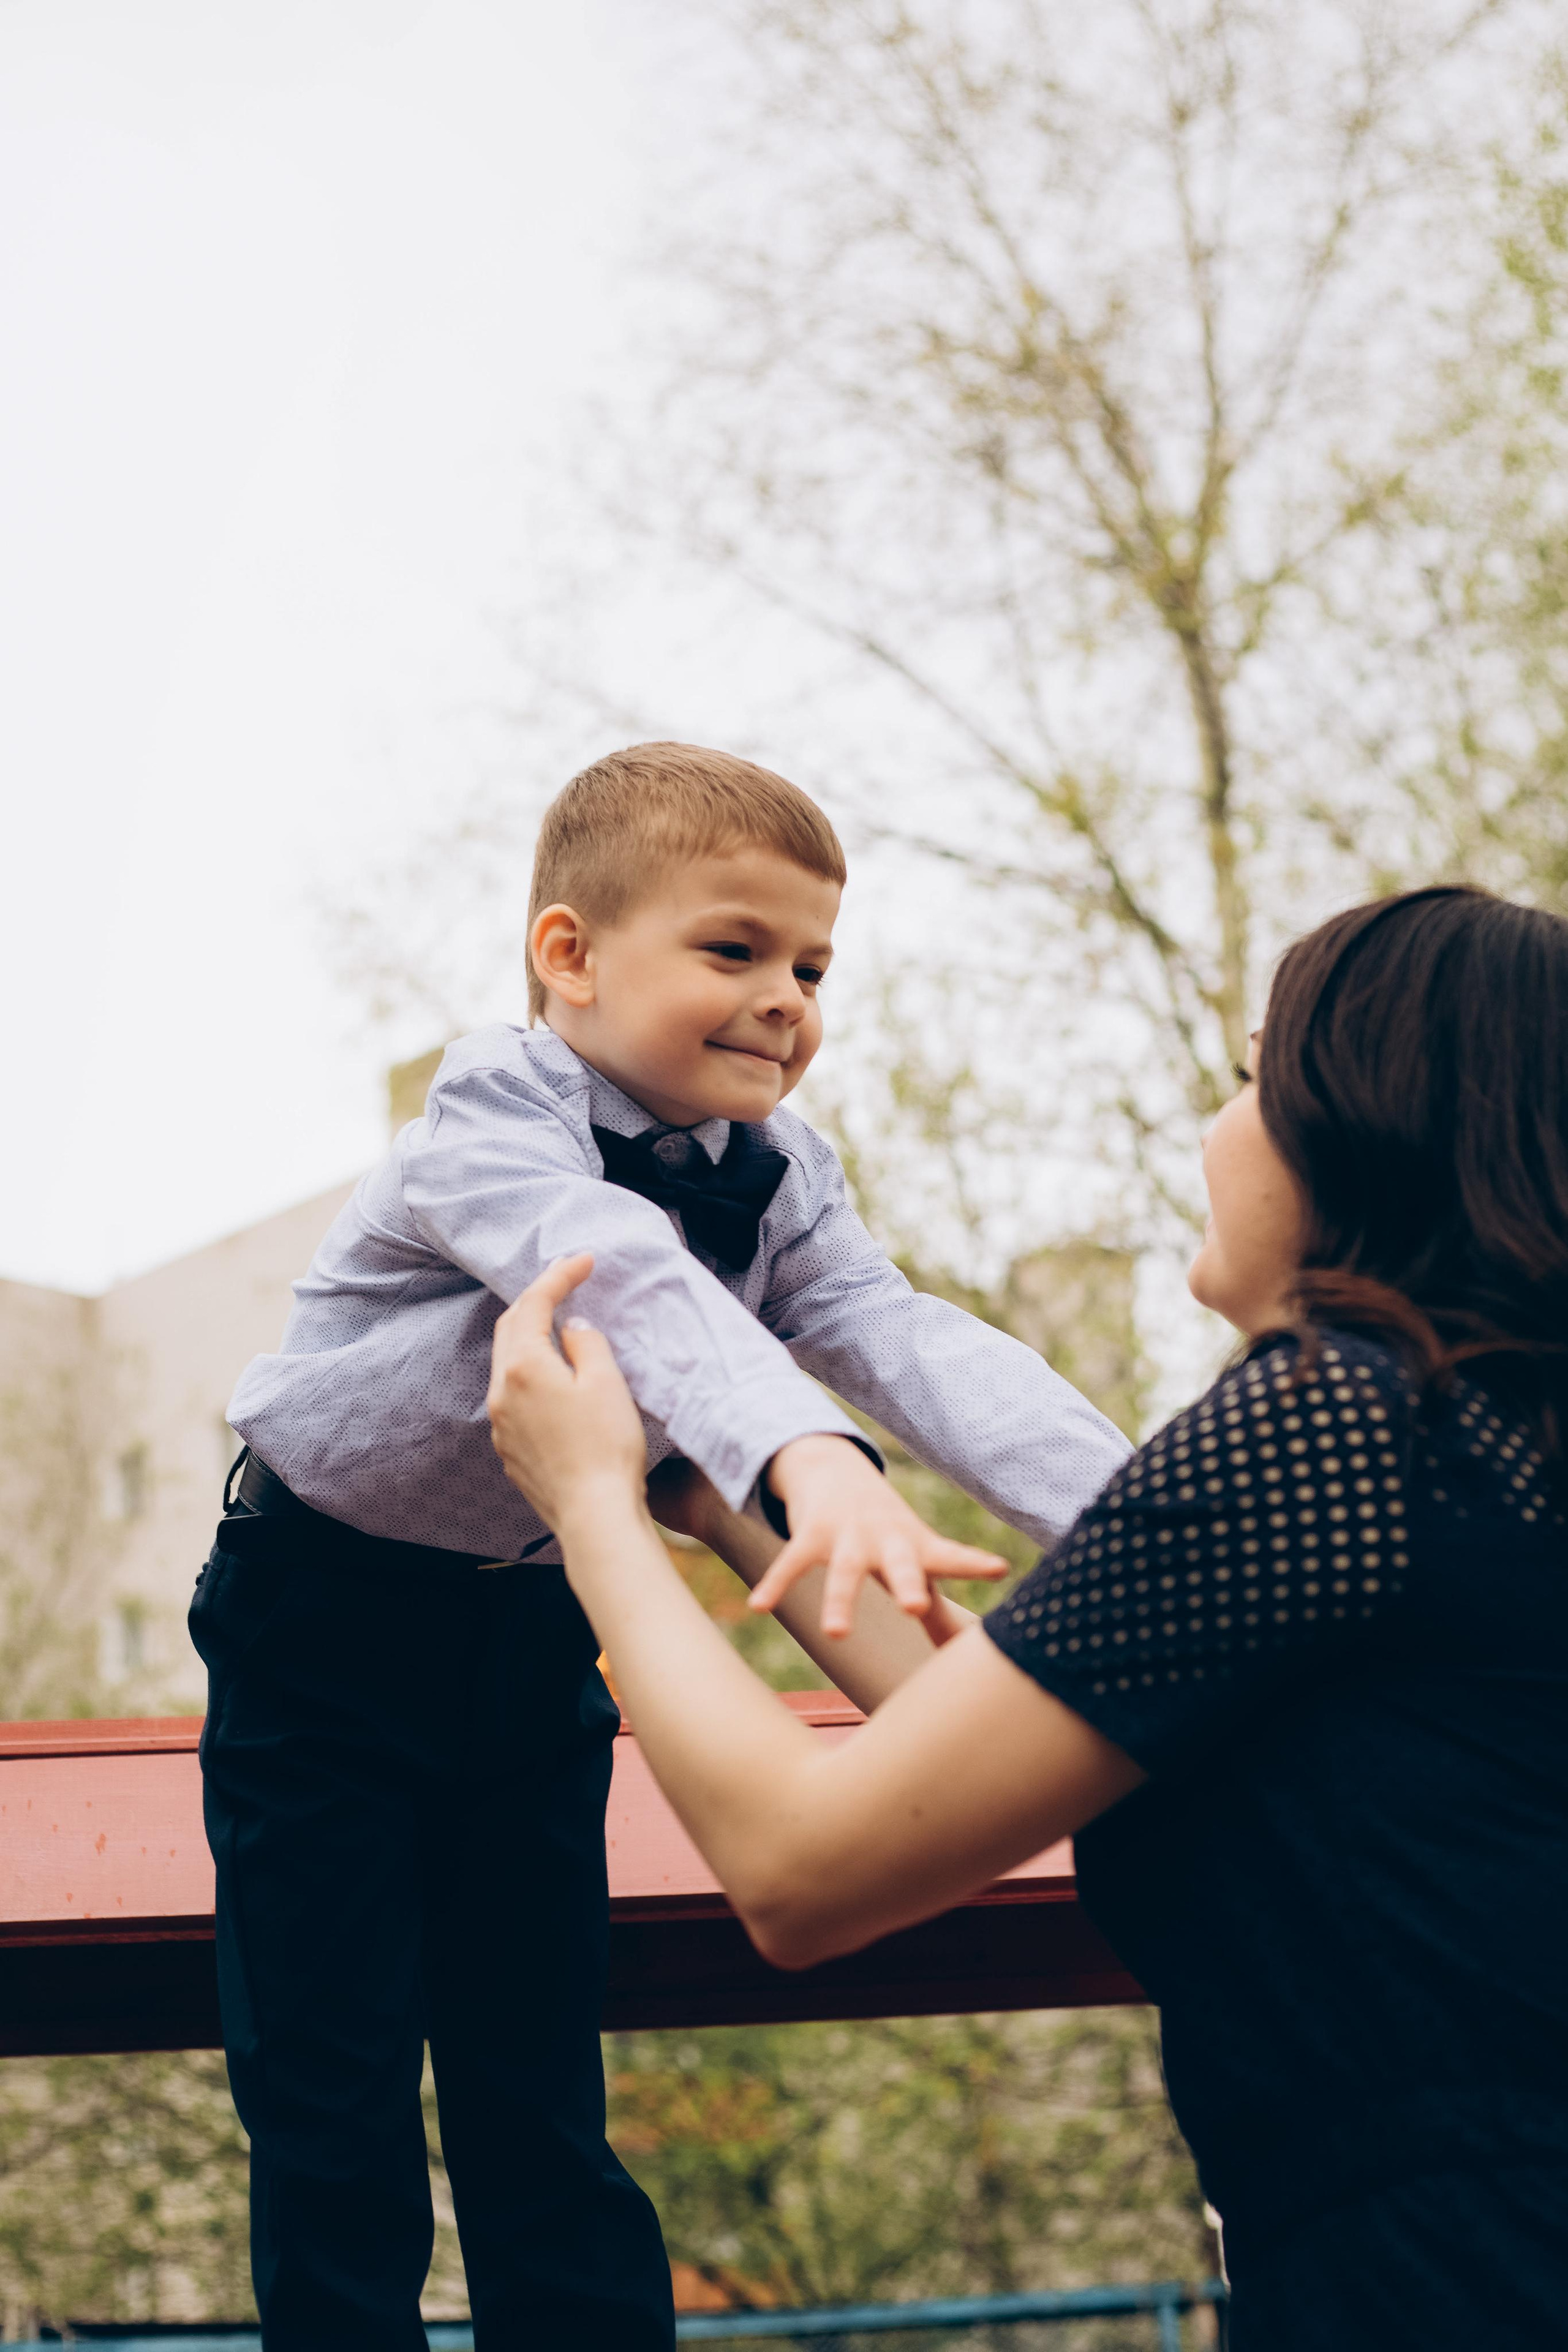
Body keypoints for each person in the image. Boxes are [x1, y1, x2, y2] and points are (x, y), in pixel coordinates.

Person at [487, 884, 1568, 2352]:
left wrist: (589, 1509)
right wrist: (718, 1495)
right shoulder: (1473, 1454)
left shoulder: (1330, 1434)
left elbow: (800, 1866)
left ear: (1360, 1124)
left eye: (1252, 1079)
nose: (1218, 1126)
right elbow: (967, 1741)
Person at [194, 742, 1130, 2348]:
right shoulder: (491, 1115)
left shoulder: (787, 1176)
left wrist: (1144, 1522)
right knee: (331, 2093)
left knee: (538, 2080)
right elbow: (613, 1272)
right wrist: (807, 1456)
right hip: (320, 1631)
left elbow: (906, 1340)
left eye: (812, 967)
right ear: (569, 957)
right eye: (735, 949)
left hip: (536, 1631)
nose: (784, 1001)